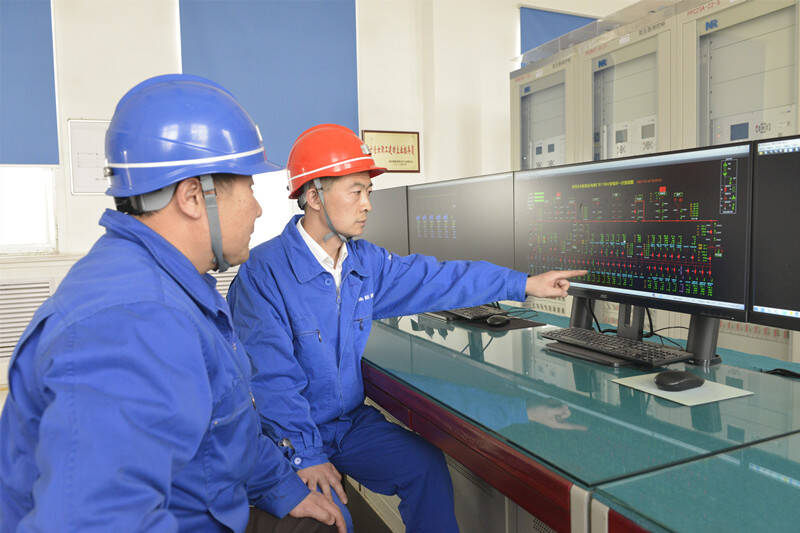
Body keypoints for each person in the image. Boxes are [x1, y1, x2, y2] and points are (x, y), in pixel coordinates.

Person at [0, 75, 345, 533]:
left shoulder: (176, 282)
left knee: (331, 520)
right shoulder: (132, 323)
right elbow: (97, 521)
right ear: (193, 197)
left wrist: (283, 488)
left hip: (209, 498)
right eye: (248, 187)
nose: (259, 209)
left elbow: (227, 423)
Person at [226, 123, 586, 532]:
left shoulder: (365, 262)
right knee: (334, 519)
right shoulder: (264, 274)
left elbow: (438, 278)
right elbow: (271, 381)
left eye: (369, 192)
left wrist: (523, 284)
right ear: (313, 196)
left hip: (346, 425)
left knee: (424, 467)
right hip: (286, 437)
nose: (367, 205)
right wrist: (305, 456)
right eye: (356, 192)